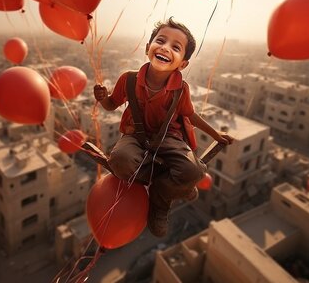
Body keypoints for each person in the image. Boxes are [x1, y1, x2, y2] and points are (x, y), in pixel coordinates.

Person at [94, 17, 234, 237]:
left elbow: (190, 115)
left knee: (193, 171)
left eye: (175, 47)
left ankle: (160, 201)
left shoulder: (181, 90)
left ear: (183, 63)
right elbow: (112, 105)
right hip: (135, 135)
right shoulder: (129, 80)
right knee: (120, 160)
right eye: (161, 41)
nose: (165, 48)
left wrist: (216, 134)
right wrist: (103, 99)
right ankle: (176, 184)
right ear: (148, 48)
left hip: (169, 137)